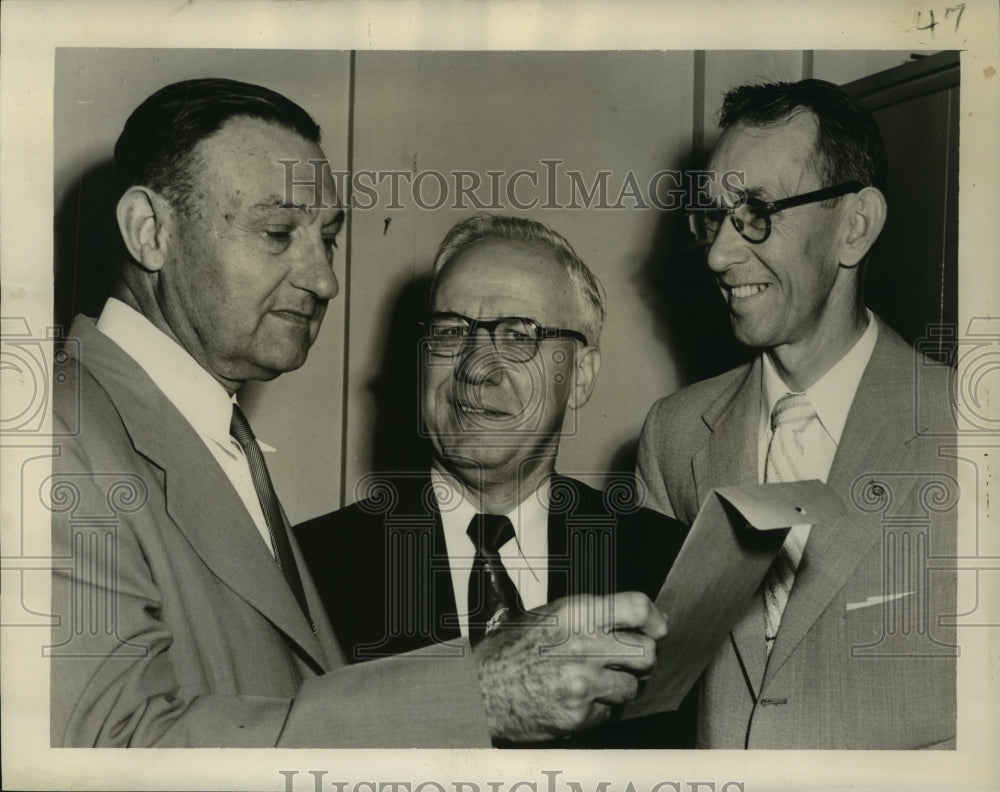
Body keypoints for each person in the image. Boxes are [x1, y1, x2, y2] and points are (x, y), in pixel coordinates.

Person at [49, 78, 668, 748]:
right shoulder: (52, 433)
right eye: (279, 232)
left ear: (582, 375)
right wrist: (473, 697)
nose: (325, 280)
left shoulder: (208, 432)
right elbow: (101, 749)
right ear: (149, 231)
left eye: (329, 239)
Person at [636, 79, 957, 749]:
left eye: (755, 211)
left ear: (854, 226)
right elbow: (655, 699)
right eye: (714, 217)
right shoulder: (673, 436)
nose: (720, 255)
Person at [295, 214, 692, 747]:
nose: (476, 368)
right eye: (451, 332)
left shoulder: (667, 569)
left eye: (518, 336)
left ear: (580, 377)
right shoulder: (307, 570)